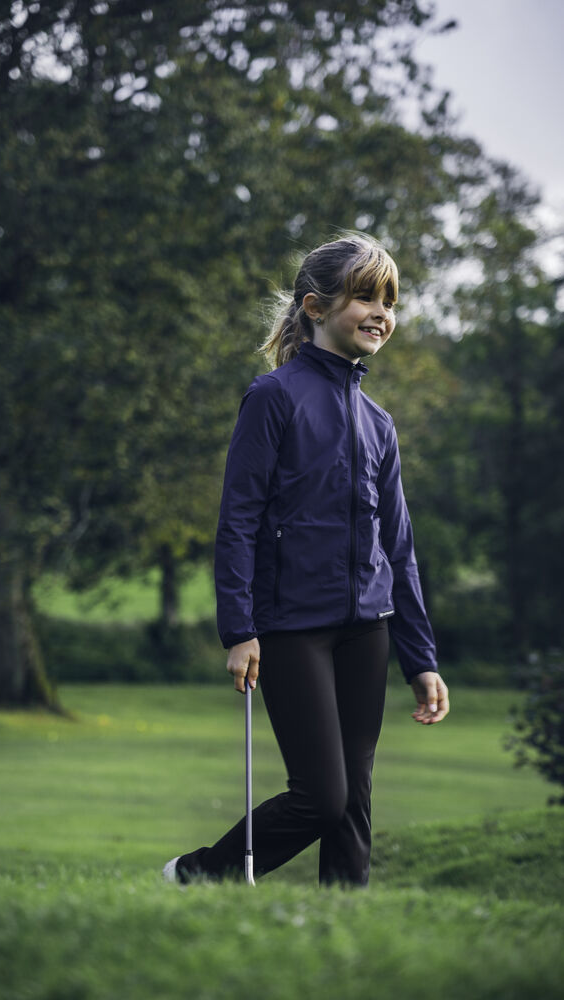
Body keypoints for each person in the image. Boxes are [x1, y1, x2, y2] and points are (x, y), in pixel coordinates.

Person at [163, 231, 450, 888]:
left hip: (367, 629)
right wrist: (239, 629)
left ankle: (339, 924)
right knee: (321, 796)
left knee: (353, 801)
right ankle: (199, 873)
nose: (381, 314)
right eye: (365, 298)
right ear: (316, 307)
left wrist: (421, 658)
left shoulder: (379, 423)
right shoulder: (273, 397)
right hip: (292, 627)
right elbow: (238, 521)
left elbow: (398, 548)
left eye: (389, 302)